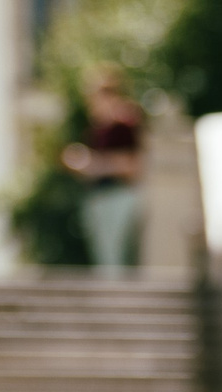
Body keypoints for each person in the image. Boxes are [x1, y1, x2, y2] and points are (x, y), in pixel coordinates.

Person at [62, 68, 144, 274]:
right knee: (104, 259)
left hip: (118, 195)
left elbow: (133, 165)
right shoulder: (97, 129)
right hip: (98, 196)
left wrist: (93, 164)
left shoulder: (123, 125)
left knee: (115, 259)